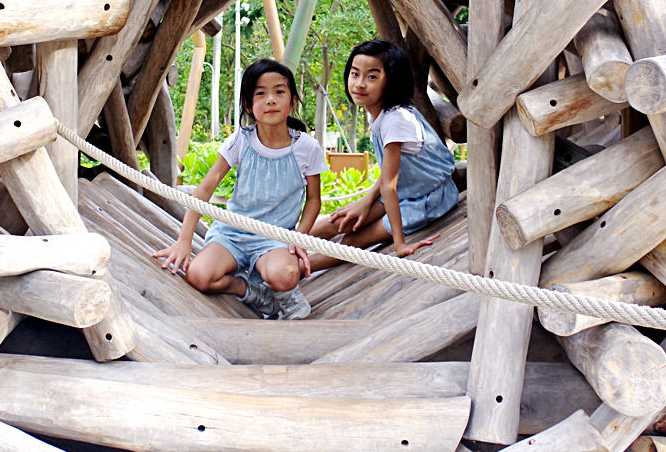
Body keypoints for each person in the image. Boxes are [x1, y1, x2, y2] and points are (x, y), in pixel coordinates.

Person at [154, 59, 323, 319]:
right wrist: (184, 240)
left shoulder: (306, 147)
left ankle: (284, 296)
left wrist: (298, 238)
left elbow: (313, 200)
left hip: (275, 237)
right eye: (260, 93)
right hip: (232, 233)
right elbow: (206, 188)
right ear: (248, 104)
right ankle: (250, 291)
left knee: (285, 275)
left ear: (292, 101)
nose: (270, 100)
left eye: (279, 92)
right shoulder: (241, 140)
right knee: (199, 276)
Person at [304, 40, 457, 272]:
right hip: (407, 191)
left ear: (392, 81)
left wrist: (400, 244)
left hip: (428, 199)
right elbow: (391, 173)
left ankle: (289, 272)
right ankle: (271, 248)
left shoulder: (396, 119)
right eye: (355, 74)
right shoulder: (379, 113)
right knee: (340, 222)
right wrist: (365, 202)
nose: (359, 84)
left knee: (350, 242)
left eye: (372, 77)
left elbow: (389, 185)